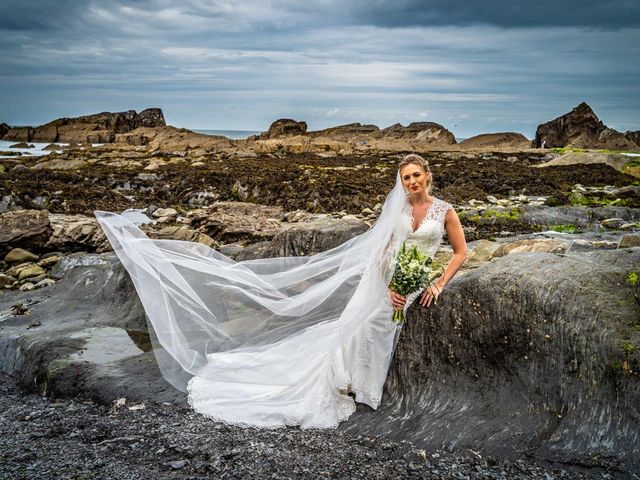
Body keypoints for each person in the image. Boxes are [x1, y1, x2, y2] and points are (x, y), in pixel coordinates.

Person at [94, 153, 466, 429]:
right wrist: (388, 284)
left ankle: (363, 384)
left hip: (416, 278)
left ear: (428, 176)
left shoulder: (444, 211)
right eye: (405, 178)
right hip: (387, 276)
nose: (411, 182)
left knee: (374, 326)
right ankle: (344, 380)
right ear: (400, 182)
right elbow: (384, 250)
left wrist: (437, 281)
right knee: (360, 322)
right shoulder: (397, 210)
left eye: (416, 176)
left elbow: (461, 253)